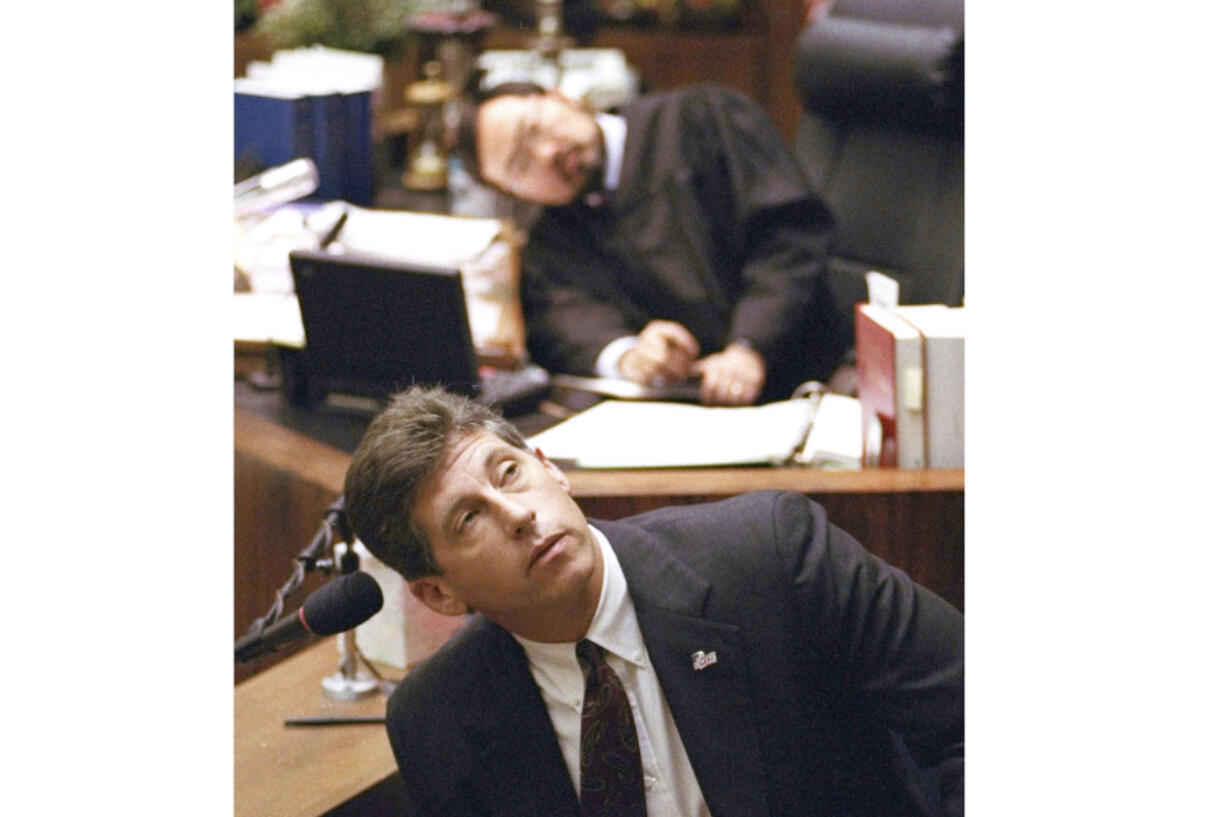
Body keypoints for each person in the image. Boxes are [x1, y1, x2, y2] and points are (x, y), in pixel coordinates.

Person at [343, 386, 964, 817]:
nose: (519, 515)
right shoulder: (438, 720)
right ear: (438, 593)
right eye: (469, 518)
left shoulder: (769, 557)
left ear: (548, 467)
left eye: (508, 473)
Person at [453, 83, 853, 406]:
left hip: (816, 385)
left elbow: (791, 235)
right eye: (521, 165)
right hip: (699, 420)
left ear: (562, 97)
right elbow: (567, 324)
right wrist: (632, 356)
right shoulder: (552, 243)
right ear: (515, 193)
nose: (547, 153)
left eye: (535, 129)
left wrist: (749, 346)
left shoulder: (703, 118)